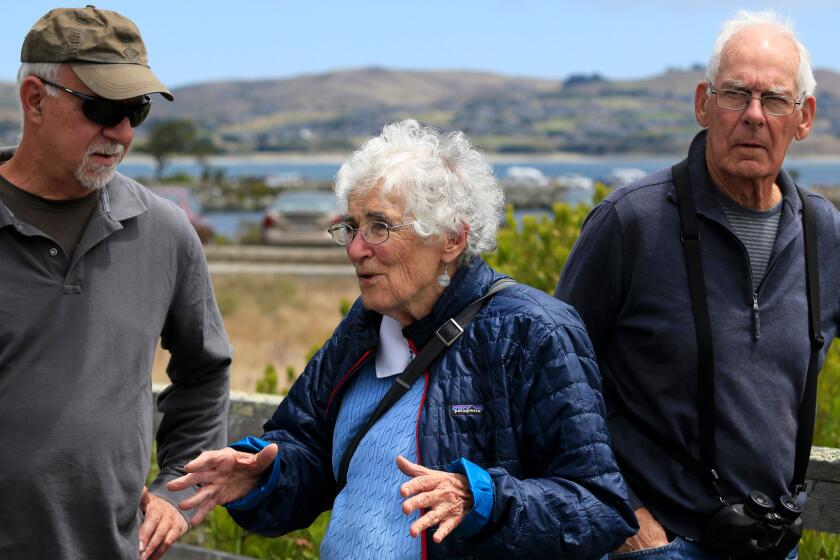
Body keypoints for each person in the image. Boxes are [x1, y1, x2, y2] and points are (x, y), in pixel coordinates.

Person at [168, 120, 636, 559]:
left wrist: (480, 498)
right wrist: (263, 477)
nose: (354, 249)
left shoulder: (533, 332)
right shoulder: (366, 324)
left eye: (379, 226)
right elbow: (307, 450)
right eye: (350, 227)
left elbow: (598, 508)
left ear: (451, 239)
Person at [556, 10, 840, 560]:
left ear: (803, 118)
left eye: (774, 100)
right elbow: (551, 382)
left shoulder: (823, 234)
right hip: (652, 545)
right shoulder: (631, 221)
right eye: (736, 94)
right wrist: (625, 513)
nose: (754, 116)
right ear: (702, 104)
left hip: (772, 544)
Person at [0, 7, 231, 560]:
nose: (123, 131)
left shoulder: (166, 233)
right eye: (103, 108)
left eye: (137, 110)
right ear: (35, 99)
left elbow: (205, 372)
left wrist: (178, 488)